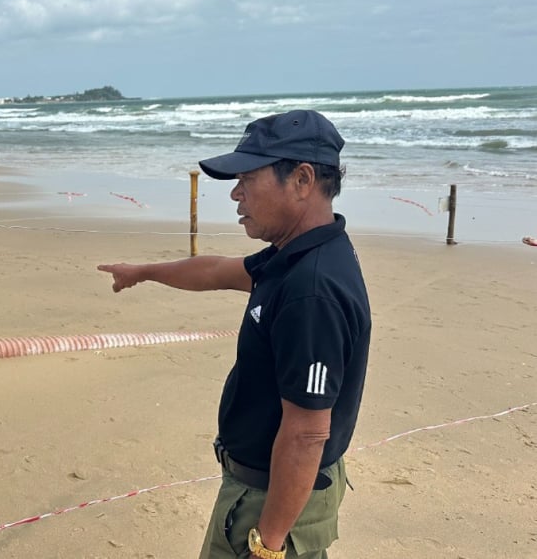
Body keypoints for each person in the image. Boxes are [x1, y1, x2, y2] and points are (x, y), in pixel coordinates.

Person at [98, 110, 371, 559]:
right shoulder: (296, 255)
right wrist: (143, 271)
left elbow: (306, 434)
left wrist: (268, 545)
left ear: (302, 179)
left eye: (247, 179)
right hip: (268, 490)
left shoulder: (313, 290)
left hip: (275, 503)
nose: (235, 194)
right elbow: (219, 270)